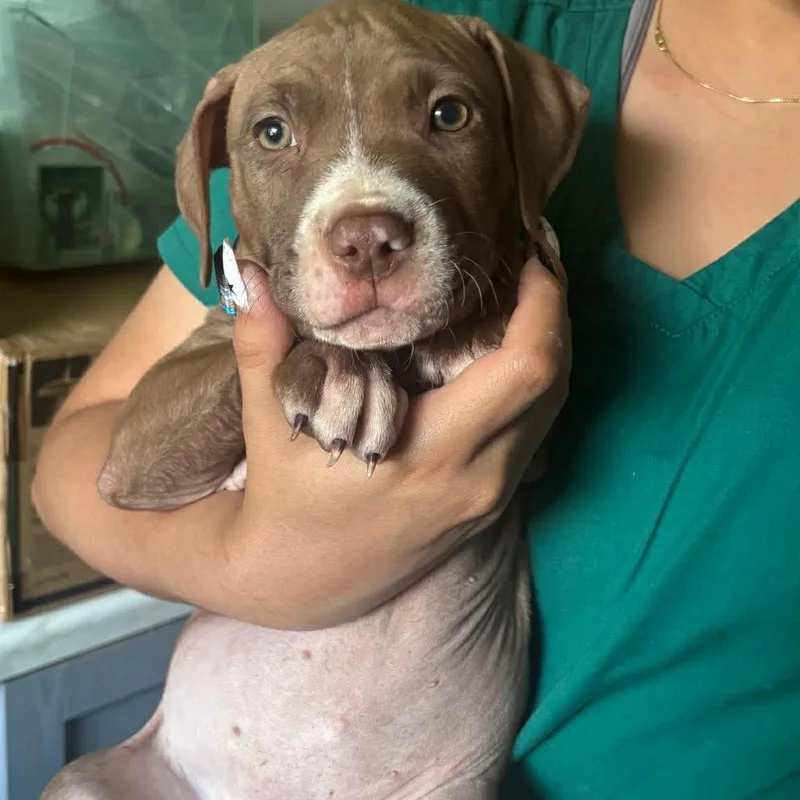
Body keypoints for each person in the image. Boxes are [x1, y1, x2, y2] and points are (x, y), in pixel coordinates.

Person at [32, 0, 800, 795]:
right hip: (175, 772)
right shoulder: (464, 25)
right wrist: (263, 563)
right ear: (214, 182)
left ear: (526, 151)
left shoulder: (494, 77)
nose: (365, 227)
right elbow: (103, 470)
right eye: (271, 136)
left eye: (446, 115)